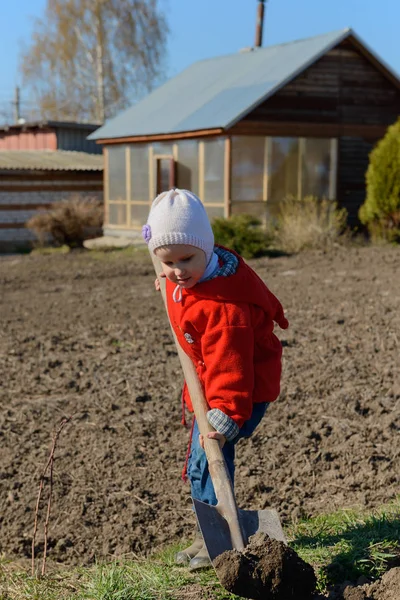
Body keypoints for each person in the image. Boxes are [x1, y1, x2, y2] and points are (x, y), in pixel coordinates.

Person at [142, 188, 288, 570]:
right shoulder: (189, 277)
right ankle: (210, 533)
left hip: (241, 391)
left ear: (205, 247)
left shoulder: (226, 309)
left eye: (185, 259)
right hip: (214, 384)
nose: (177, 270)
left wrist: (225, 414)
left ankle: (220, 535)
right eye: (167, 261)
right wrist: (170, 283)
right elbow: (179, 278)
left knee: (206, 458)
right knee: (202, 459)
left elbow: (232, 366)